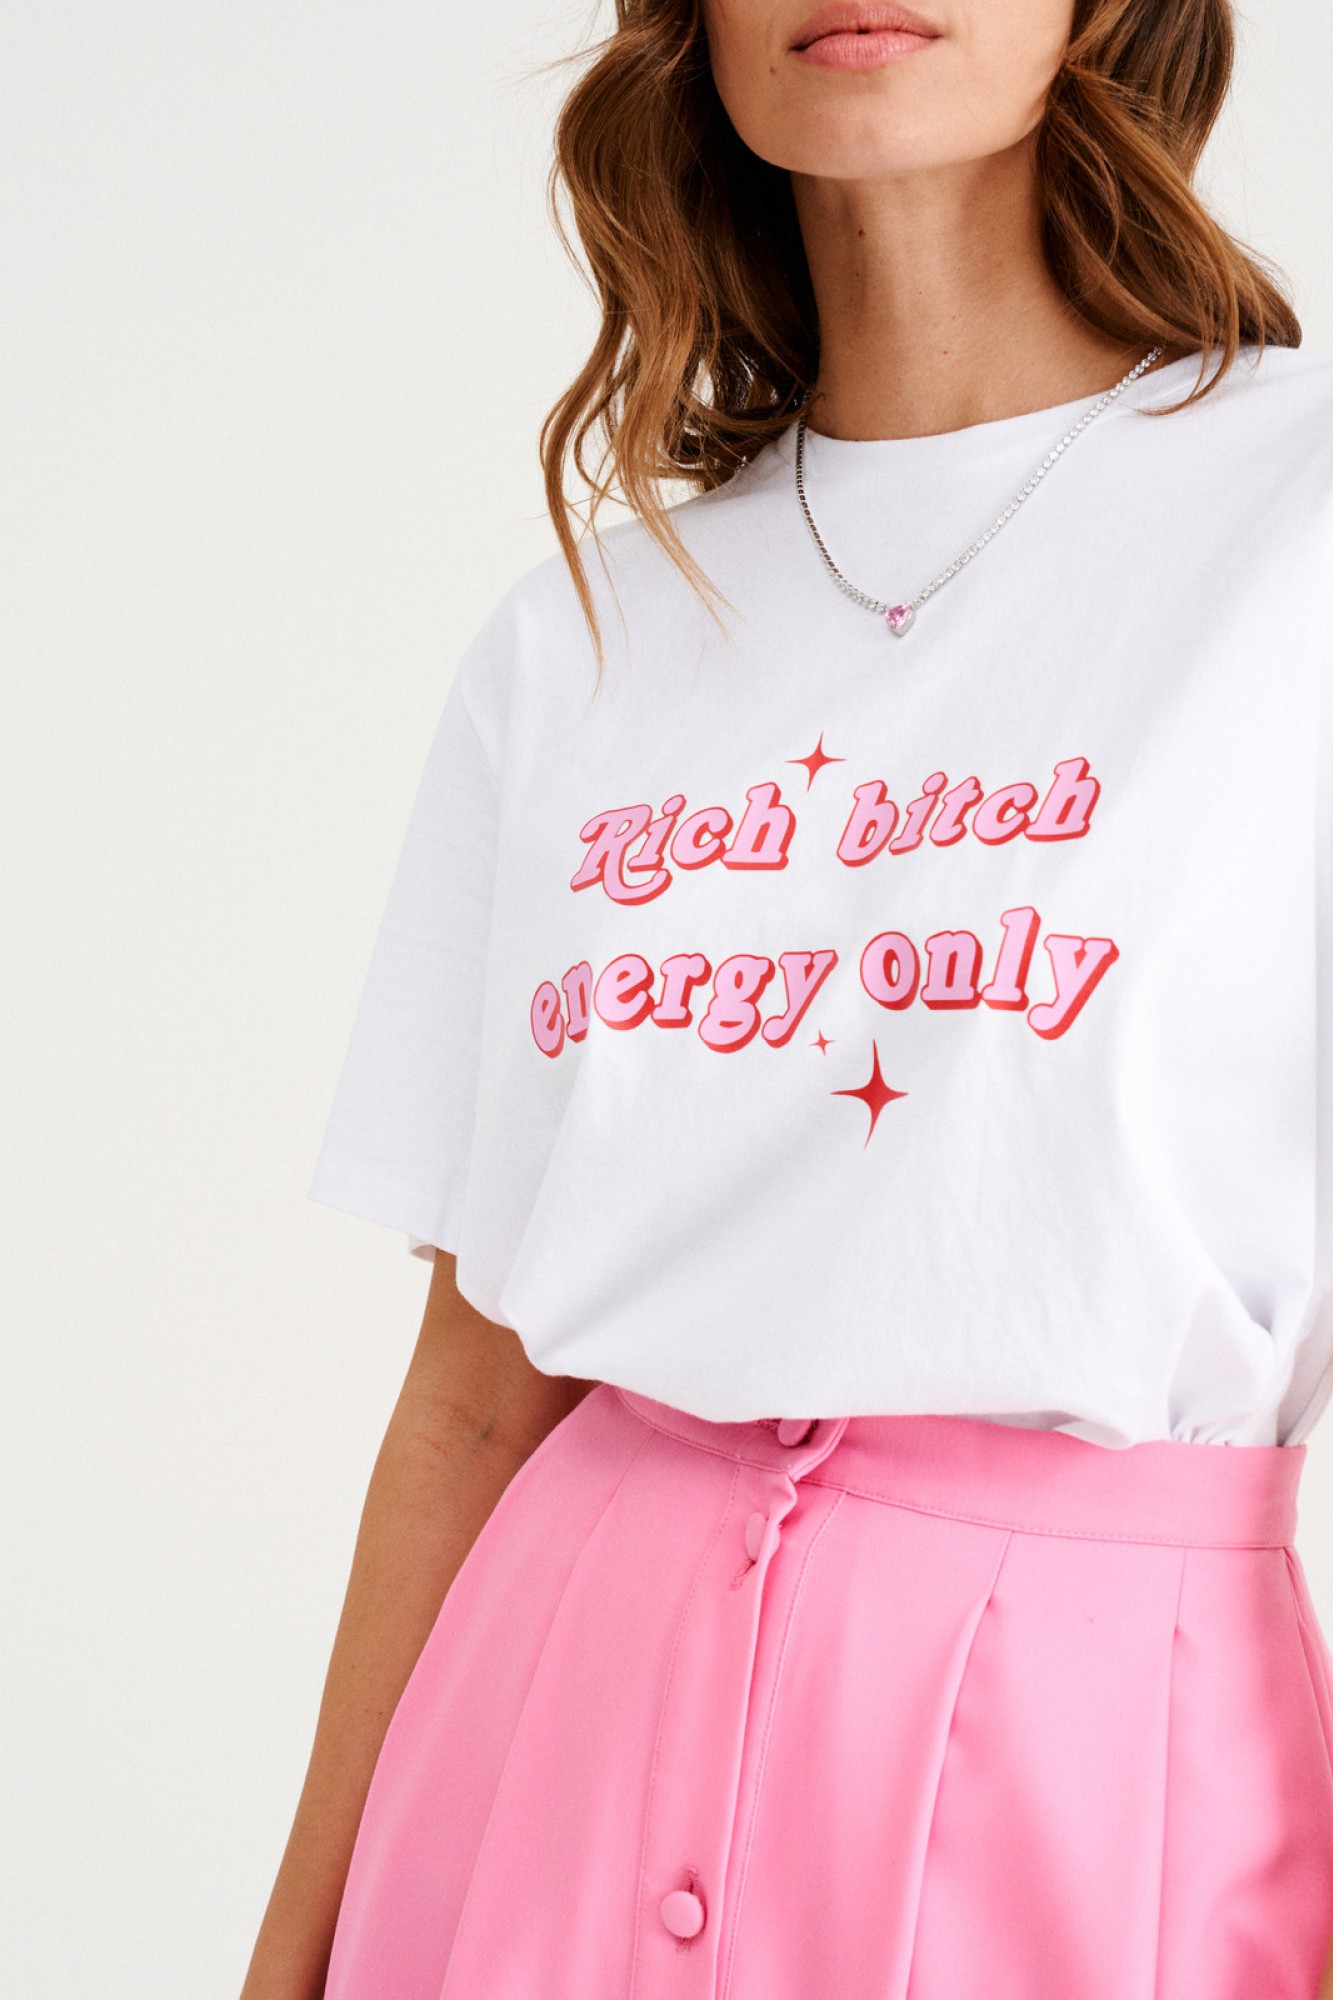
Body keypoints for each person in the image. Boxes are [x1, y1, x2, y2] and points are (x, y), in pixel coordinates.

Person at [239, 2, 1333, 1996]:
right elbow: (475, 1396)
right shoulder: (584, 640)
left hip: (1096, 1810)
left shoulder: (1298, 527)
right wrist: (289, 1960)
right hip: (541, 1771)